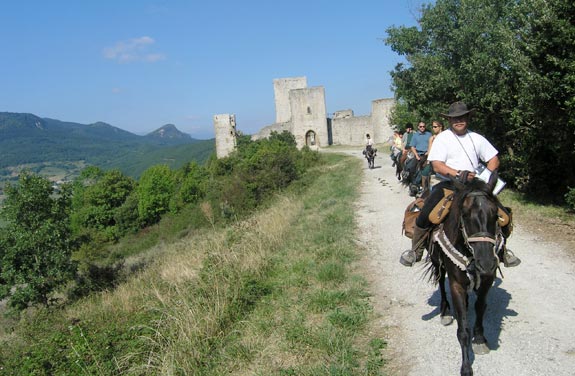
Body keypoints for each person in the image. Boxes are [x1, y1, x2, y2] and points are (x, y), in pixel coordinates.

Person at [399, 101, 520, 267]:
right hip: (449, 184)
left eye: (461, 117)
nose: (458, 121)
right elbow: (436, 165)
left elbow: (494, 159)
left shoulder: (477, 138)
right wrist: (457, 174)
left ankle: (503, 250)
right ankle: (416, 250)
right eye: (455, 118)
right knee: (426, 213)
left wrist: (484, 179)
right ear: (449, 120)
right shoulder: (442, 139)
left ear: (467, 118)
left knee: (502, 215)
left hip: (475, 186)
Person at [420, 120, 444, 191]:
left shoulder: (446, 136)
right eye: (433, 127)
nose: (433, 128)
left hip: (445, 159)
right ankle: (424, 189)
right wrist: (428, 161)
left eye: (435, 127)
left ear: (441, 127)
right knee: (425, 172)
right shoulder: (432, 138)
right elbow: (430, 150)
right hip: (435, 159)